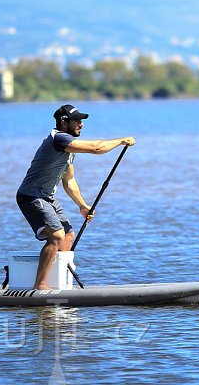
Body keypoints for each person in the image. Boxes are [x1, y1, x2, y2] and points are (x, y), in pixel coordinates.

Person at [16, 103, 135, 290]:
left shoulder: (68, 148)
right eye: (77, 121)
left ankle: (59, 282)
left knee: (67, 236)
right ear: (64, 122)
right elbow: (96, 148)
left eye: (81, 121)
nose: (81, 124)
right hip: (30, 196)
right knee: (56, 236)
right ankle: (40, 285)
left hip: (46, 197)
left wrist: (82, 205)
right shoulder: (60, 139)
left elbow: (69, 181)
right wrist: (120, 141)